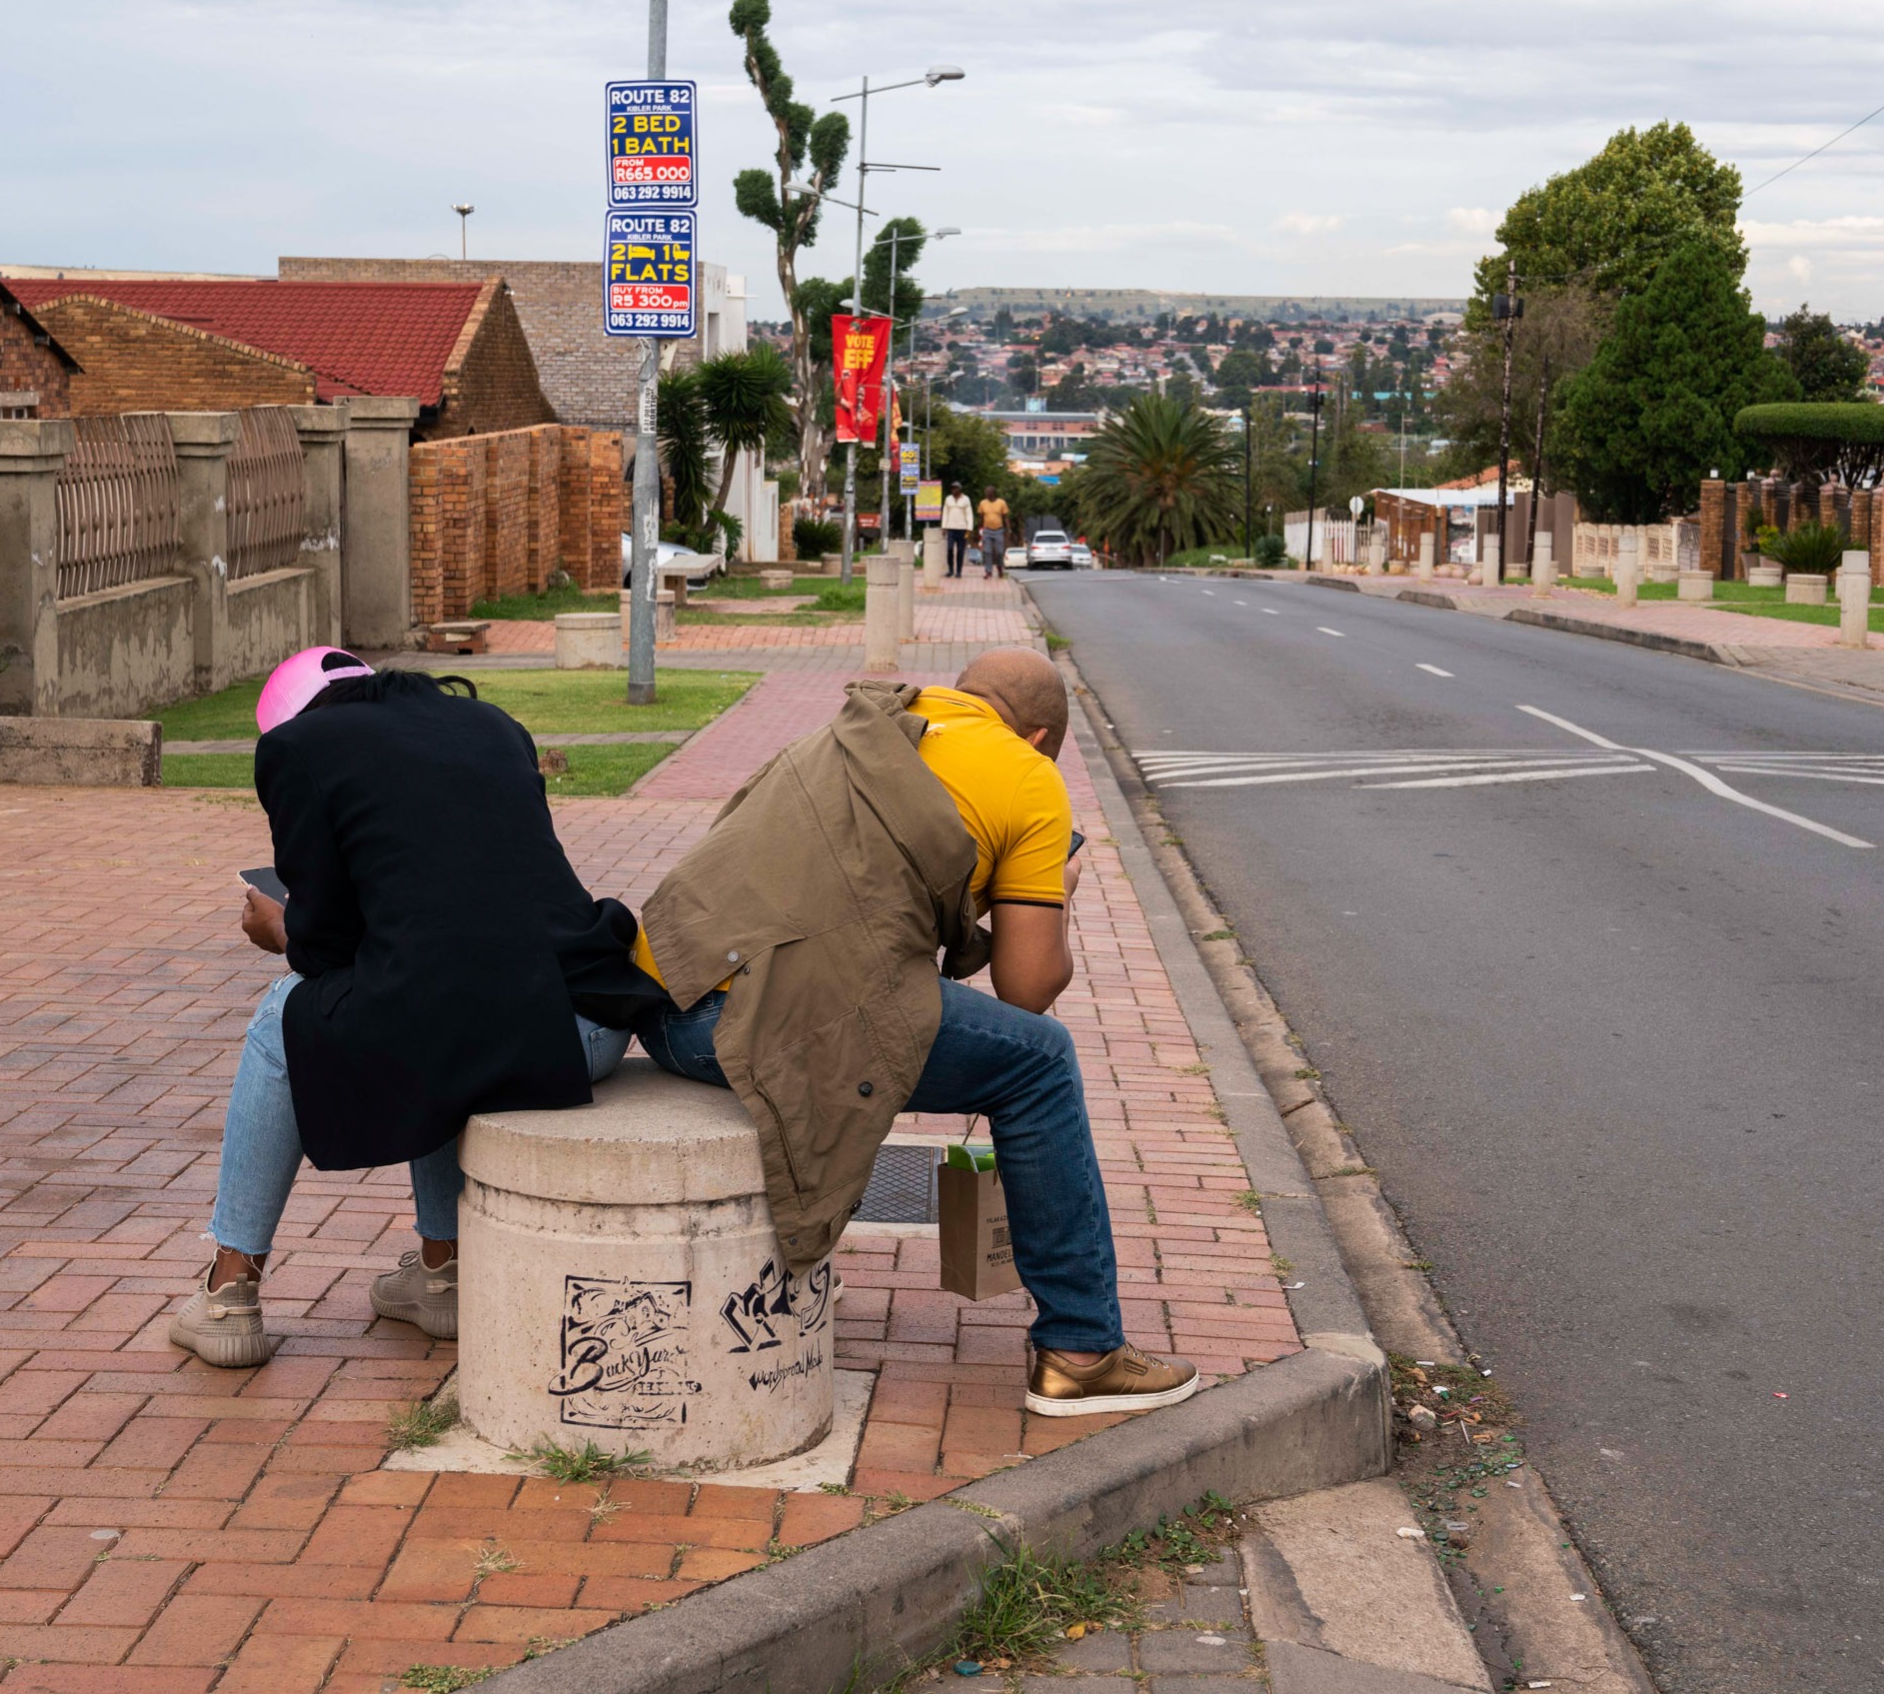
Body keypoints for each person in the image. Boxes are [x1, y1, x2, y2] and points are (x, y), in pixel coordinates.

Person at [624, 648, 1200, 1419]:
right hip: (758, 1019)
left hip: (664, 1010)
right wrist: (1051, 893)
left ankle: (1080, 1346)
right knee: (1041, 1064)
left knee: (945, 1018)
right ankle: (1081, 1351)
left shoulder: (846, 731)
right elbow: (1027, 992)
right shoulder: (1028, 776)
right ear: (1036, 736)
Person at [171, 650, 664, 1368]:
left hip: (490, 1023)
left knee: (289, 1017)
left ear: (290, 721)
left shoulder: (296, 749)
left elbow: (329, 944)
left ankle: (228, 1292)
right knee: (438, 994)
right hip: (583, 1023)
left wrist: (280, 928)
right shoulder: (494, 725)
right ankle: (443, 1275)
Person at [940, 486, 975, 578]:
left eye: (955, 488)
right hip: (951, 528)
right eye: (952, 489)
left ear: (959, 489)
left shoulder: (966, 499)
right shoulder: (948, 499)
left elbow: (969, 514)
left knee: (960, 551)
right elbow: (945, 513)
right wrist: (944, 527)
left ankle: (958, 571)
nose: (953, 490)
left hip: (962, 529)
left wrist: (969, 528)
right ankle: (950, 570)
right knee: (950, 549)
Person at [975, 492, 1012, 578]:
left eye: (988, 494)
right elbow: (981, 517)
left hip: (998, 530)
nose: (987, 495)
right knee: (987, 551)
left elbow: (1005, 517)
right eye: (986, 494)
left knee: (999, 552)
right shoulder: (983, 503)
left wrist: (1008, 529)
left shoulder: (1001, 502)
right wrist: (979, 529)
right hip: (987, 530)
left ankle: (999, 568)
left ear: (993, 494)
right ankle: (988, 571)